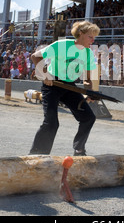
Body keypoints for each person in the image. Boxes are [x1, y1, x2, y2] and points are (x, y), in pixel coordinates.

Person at [29, 21, 99, 156]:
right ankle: (37, 154)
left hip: (70, 86)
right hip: (52, 85)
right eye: (90, 36)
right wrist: (45, 75)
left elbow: (87, 78)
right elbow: (35, 56)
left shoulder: (88, 53)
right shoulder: (62, 45)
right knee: (51, 122)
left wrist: (89, 91)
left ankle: (79, 149)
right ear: (81, 34)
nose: (93, 40)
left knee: (88, 117)